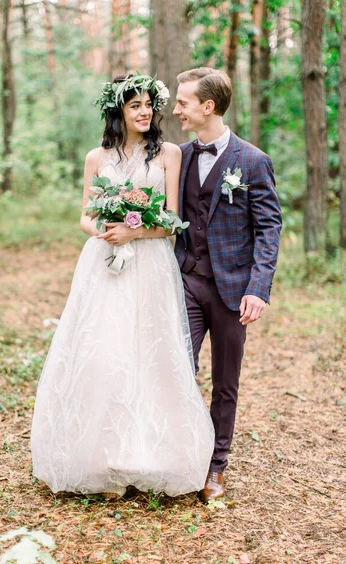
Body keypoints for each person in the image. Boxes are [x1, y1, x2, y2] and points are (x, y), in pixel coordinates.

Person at [31, 73, 215, 498]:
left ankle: (153, 455)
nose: (145, 111)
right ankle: (100, 459)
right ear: (118, 111)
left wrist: (136, 231)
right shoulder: (97, 157)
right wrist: (104, 227)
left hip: (150, 264)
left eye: (149, 104)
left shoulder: (169, 153)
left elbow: (171, 220)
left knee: (150, 351)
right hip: (104, 261)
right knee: (104, 350)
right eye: (135, 105)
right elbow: (83, 215)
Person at [173, 67, 282, 503]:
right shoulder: (178, 156)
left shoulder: (253, 160)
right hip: (186, 282)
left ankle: (215, 467)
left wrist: (258, 287)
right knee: (176, 368)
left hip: (234, 290)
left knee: (225, 382)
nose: (176, 109)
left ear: (207, 106)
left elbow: (269, 228)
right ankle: (178, 455)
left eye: (183, 102)